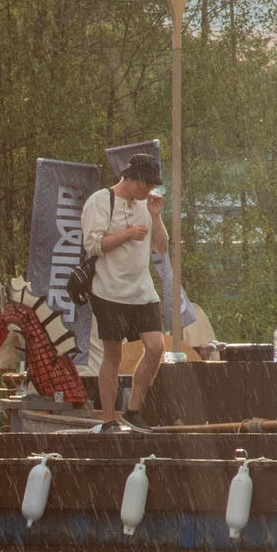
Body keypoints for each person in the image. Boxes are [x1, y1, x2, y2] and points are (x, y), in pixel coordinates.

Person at [79, 154, 169, 423]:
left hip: (142, 291)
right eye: (146, 183)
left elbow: (162, 247)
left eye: (152, 184)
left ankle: (134, 409)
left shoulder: (145, 205)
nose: (149, 189)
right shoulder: (101, 200)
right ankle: (108, 420)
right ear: (131, 178)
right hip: (109, 291)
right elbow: (93, 244)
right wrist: (128, 234)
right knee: (113, 355)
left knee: (156, 347)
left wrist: (155, 217)